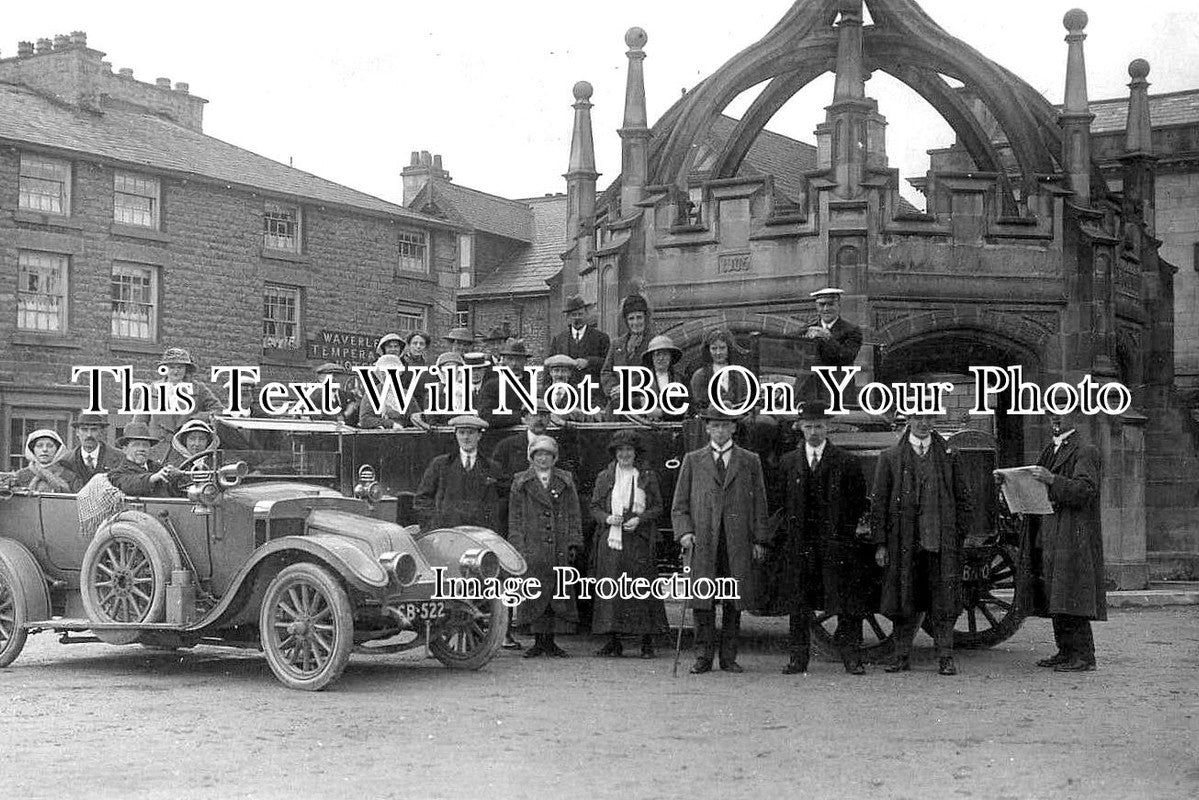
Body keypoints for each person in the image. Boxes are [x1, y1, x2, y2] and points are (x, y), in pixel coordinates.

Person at [870, 413, 973, 676]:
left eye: (929, 418)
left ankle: (946, 657)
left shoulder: (949, 457)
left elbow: (963, 499)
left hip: (941, 543)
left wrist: (957, 537)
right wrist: (881, 544)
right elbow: (879, 505)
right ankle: (901, 655)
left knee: (944, 603)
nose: (924, 423)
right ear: (909, 421)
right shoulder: (891, 458)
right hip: (904, 544)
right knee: (904, 600)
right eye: (918, 418)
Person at [1004, 411, 1106, 672]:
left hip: (1072, 534)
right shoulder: (1051, 448)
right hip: (1050, 531)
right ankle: (1065, 651)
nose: (1055, 419)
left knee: (1072, 593)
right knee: (1056, 593)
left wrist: (1052, 479)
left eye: (1062, 413)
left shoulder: (1085, 450)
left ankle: (1084, 656)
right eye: (1051, 414)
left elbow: (1086, 490)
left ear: (1075, 416)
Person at [671, 407, 770, 674]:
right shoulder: (693, 460)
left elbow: (760, 503)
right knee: (703, 601)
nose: (720, 431)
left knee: (732, 601)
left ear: (734, 428)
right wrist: (685, 532)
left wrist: (760, 540)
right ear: (707, 429)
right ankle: (702, 657)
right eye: (715, 426)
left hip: (736, 541)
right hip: (703, 541)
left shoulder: (750, 460)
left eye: (725, 426)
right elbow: (679, 505)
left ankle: (729, 658)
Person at [774, 402, 870, 675]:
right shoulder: (788, 463)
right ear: (800, 428)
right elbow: (780, 503)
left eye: (818, 426)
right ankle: (798, 659)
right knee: (799, 603)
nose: (813, 431)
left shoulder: (846, 462)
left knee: (847, 603)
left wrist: (844, 534)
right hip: (800, 545)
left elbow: (857, 502)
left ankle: (852, 658)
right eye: (808, 426)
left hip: (836, 544)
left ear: (828, 427)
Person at [590, 430, 669, 658]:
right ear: (615, 453)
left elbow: (658, 507)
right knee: (612, 590)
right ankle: (613, 641)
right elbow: (594, 506)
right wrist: (606, 518)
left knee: (640, 589)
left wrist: (639, 519)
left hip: (638, 538)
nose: (625, 454)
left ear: (636, 453)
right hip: (612, 539)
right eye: (620, 450)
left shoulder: (646, 476)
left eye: (629, 450)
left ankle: (646, 642)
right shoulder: (604, 477)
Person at [509, 435, 582, 658]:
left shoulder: (565, 481)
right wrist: (517, 545)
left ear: (554, 457)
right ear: (532, 457)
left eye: (547, 455)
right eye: (539, 454)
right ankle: (538, 641)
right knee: (535, 592)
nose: (543, 459)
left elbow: (573, 512)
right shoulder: (521, 482)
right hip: (533, 545)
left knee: (556, 593)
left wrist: (573, 541)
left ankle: (551, 641)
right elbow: (516, 517)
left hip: (558, 544)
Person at [414, 415, 504, 531]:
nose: (466, 437)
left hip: (481, 535)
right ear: (456, 435)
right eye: (462, 433)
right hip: (448, 535)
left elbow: (503, 502)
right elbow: (422, 499)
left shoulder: (492, 467)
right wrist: (434, 526)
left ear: (479, 436)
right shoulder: (440, 464)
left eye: (471, 433)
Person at [131, 347, 222, 461]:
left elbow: (219, 411)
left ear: (186, 369)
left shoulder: (198, 389)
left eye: (180, 367)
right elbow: (139, 424)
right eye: (172, 367)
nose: (176, 371)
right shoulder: (151, 390)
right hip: (158, 450)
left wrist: (196, 419)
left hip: (186, 450)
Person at [798, 288, 863, 405]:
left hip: (837, 388)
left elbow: (847, 356)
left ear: (839, 305)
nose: (826, 309)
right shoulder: (808, 327)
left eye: (830, 304)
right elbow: (786, 344)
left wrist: (828, 337)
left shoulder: (851, 330)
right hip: (809, 388)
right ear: (816, 307)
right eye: (821, 305)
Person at [600, 294, 653, 405]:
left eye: (639, 317)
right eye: (631, 319)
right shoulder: (616, 344)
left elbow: (654, 373)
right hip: (617, 403)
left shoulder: (654, 343)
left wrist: (627, 388)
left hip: (643, 402)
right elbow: (606, 372)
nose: (635, 323)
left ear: (646, 318)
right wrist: (613, 389)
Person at [549, 294, 610, 385]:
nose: (577, 318)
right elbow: (549, 365)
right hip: (567, 392)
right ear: (568, 317)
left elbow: (608, 364)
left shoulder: (601, 337)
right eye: (574, 315)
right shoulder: (559, 339)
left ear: (586, 314)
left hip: (591, 391)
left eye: (580, 314)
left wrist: (589, 362)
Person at [107, 422, 179, 497]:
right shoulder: (116, 474)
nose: (141, 449)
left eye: (145, 445)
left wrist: (177, 475)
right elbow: (129, 484)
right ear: (125, 449)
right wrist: (152, 478)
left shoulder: (158, 468)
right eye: (136, 445)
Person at [689, 329, 750, 414]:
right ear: (708, 350)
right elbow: (697, 406)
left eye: (722, 348)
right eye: (714, 348)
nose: (718, 352)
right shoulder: (700, 375)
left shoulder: (739, 374)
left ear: (729, 349)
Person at [0, 429, 81, 493]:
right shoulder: (20, 476)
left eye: (50, 446)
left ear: (57, 450)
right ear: (33, 450)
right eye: (39, 446)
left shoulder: (71, 477)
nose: (44, 450)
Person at [478, 339, 534, 430]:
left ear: (525, 361)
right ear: (504, 361)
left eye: (519, 359)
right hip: (499, 435)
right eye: (510, 359)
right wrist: (518, 418)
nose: (514, 364)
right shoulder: (492, 386)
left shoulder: (532, 386)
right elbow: (486, 415)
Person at [60, 413, 124, 485]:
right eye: (84, 430)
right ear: (77, 432)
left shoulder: (119, 458)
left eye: (94, 430)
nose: (89, 435)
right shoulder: (66, 461)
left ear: (102, 432)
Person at [638, 334, 688, 422]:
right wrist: (641, 402)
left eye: (665, 354)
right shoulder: (640, 380)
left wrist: (662, 413)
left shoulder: (681, 380)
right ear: (652, 358)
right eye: (657, 354)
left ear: (671, 357)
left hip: (675, 428)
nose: (661, 358)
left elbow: (688, 407)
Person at [358, 354, 414, 429]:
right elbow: (365, 420)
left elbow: (415, 417)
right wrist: (390, 424)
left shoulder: (406, 394)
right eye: (383, 372)